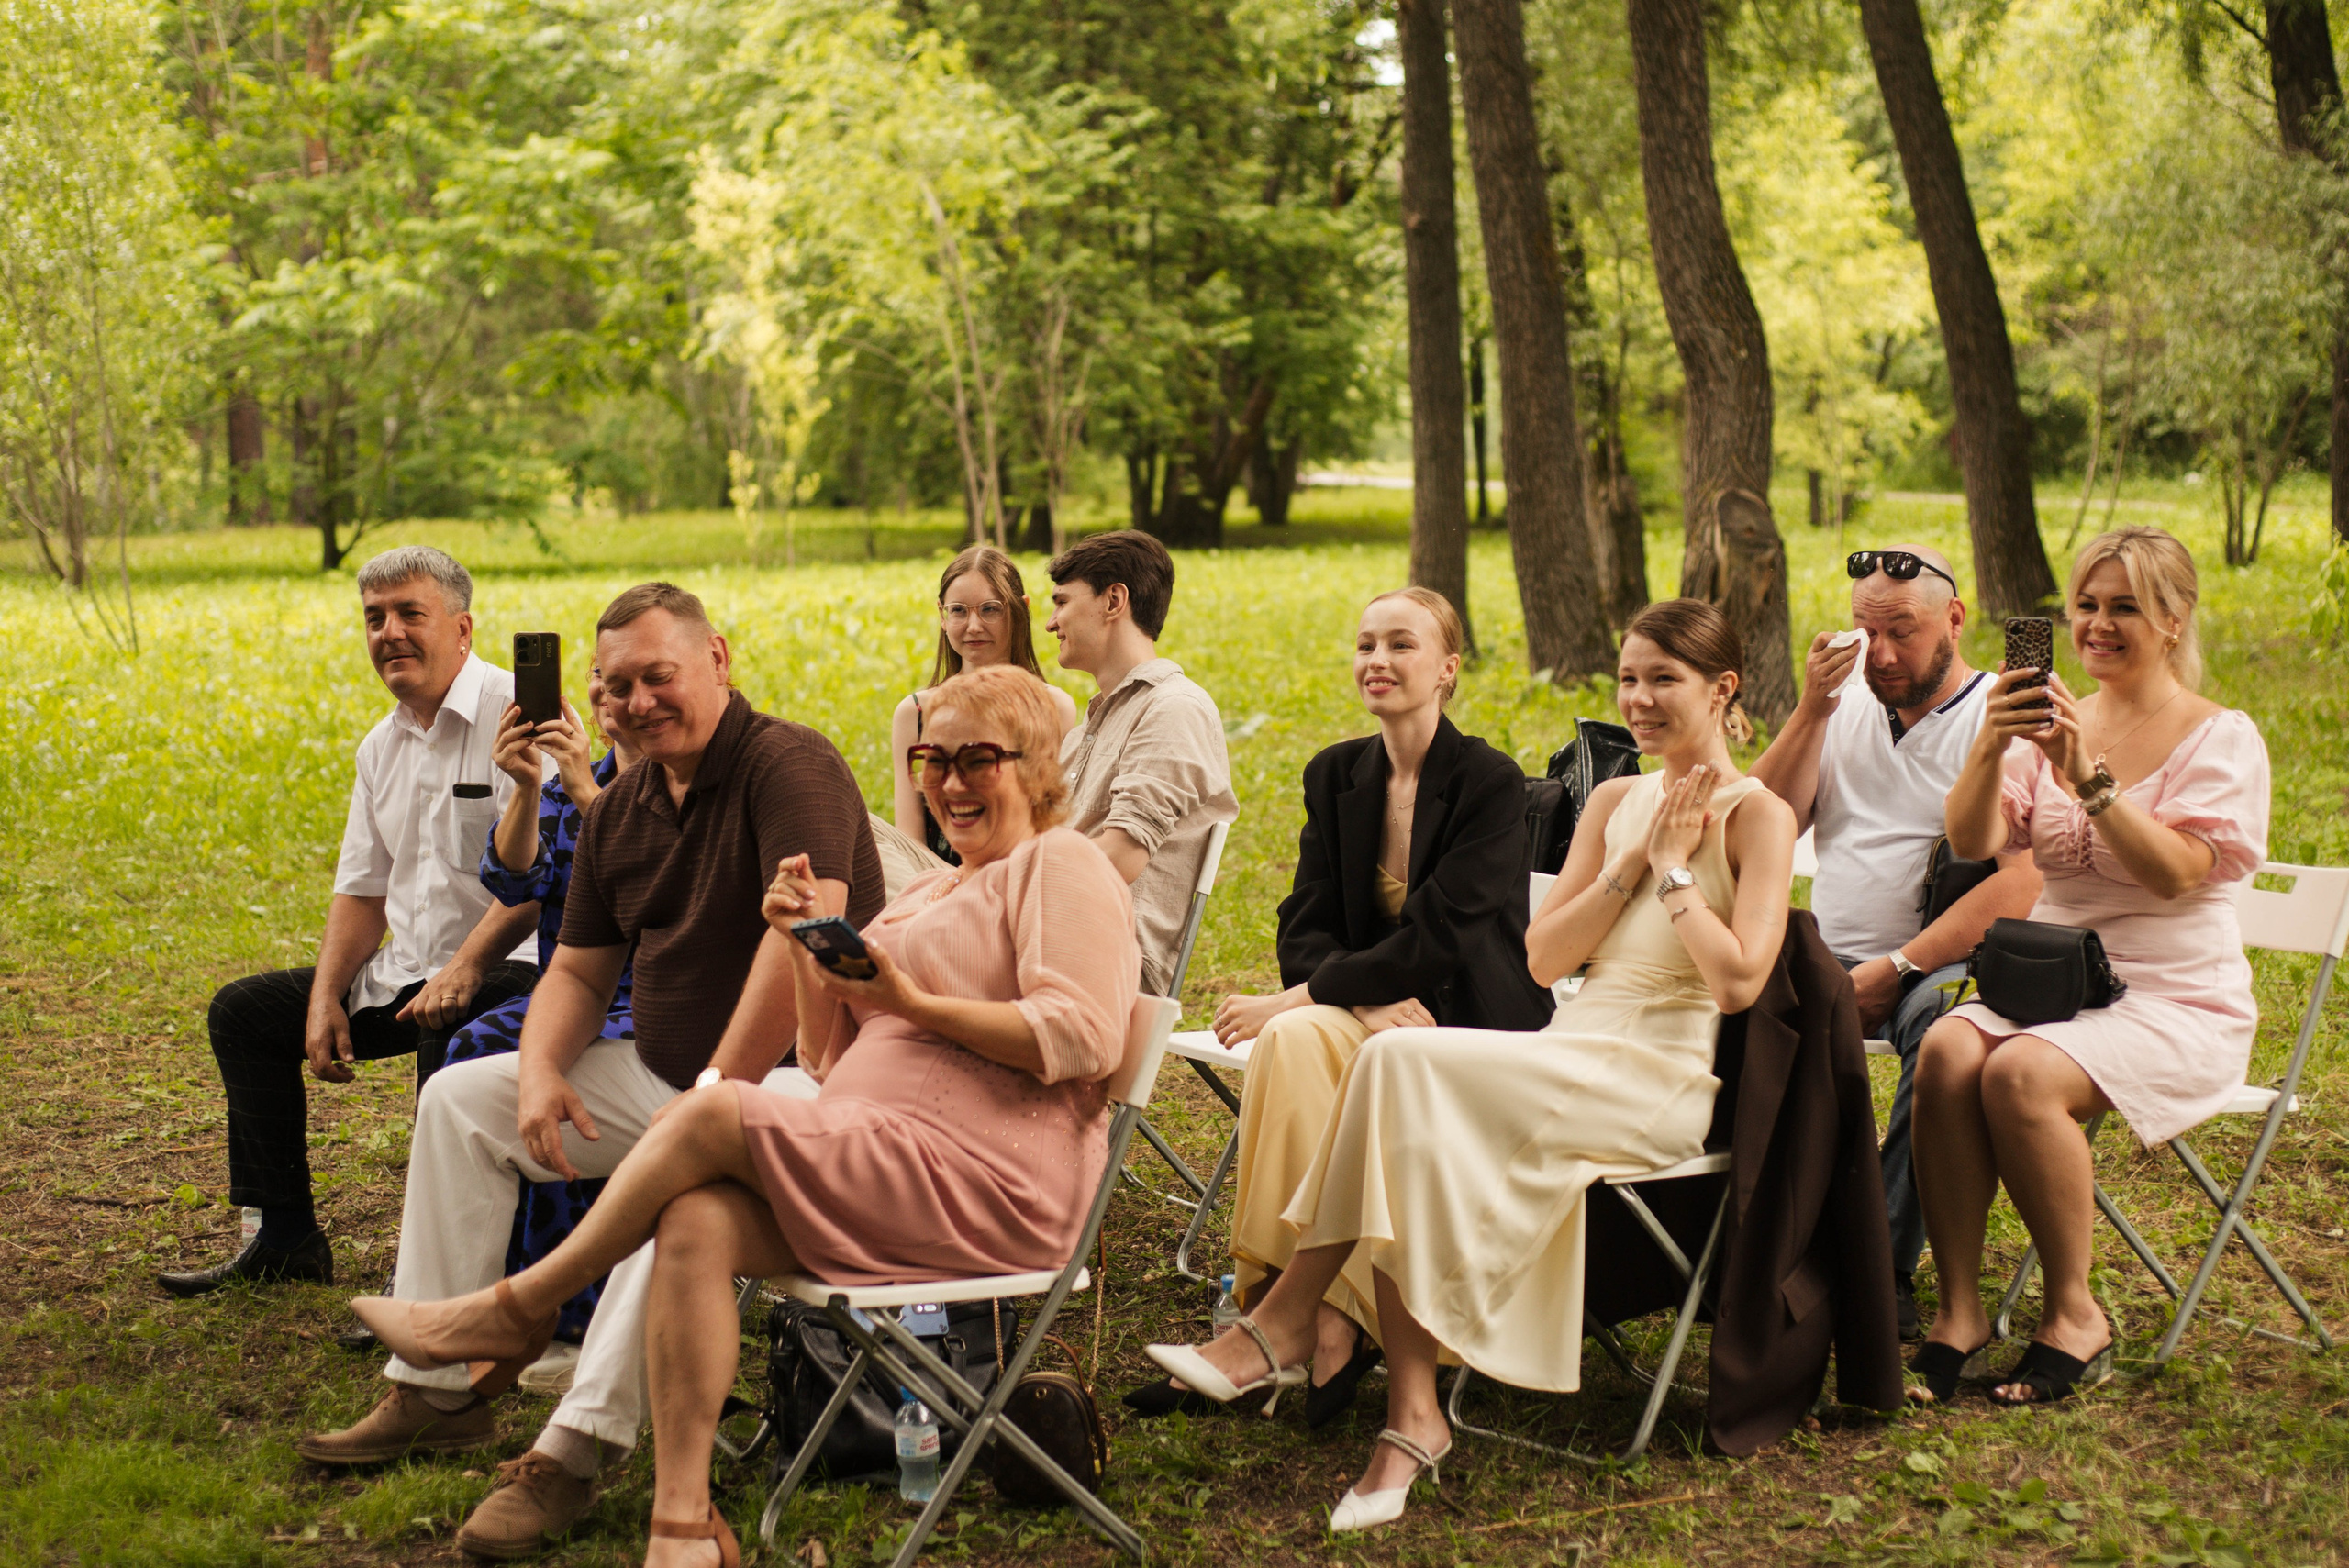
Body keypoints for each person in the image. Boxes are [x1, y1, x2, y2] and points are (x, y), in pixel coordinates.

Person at [343, 664, 1141, 1568]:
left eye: (977, 759)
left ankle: (519, 1307)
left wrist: (912, 1001)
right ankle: (681, 1521)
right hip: (882, 1159)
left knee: (712, 1107)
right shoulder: (930, 891)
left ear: (1036, 767)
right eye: (934, 758)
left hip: (988, 1179)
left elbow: (1081, 1036)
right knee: (694, 1219)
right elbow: (825, 1057)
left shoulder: (1059, 863)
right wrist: (801, 946)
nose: (950, 781)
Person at [1144, 599, 1796, 1532]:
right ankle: (1409, 1414)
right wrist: (1632, 863)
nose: (1639, 699)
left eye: (1665, 679)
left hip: (1657, 1075)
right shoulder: (1613, 802)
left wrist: (1676, 870)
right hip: (1570, 1045)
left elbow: (1736, 983)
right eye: (1628, 678)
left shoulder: (1760, 813)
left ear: (1723, 688)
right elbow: (1545, 956)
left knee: (1399, 1066)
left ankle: (1289, 1318)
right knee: (1397, 1081)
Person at [294, 582, 884, 1563]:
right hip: (673, 1078)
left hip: (812, 1088)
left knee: (683, 1177)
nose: (638, 702)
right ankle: (438, 1392)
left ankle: (575, 1446)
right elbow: (575, 968)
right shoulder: (624, 807)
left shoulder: (788, 763)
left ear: (718, 660)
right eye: (617, 686)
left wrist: (708, 1098)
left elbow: (802, 944)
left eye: (660, 676)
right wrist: (537, 1071)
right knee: (461, 1098)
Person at [1127, 587, 1553, 1425]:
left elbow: (1442, 938)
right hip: (1379, 1015)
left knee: (1297, 1021)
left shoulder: (1490, 782)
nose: (1378, 660)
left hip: (1473, 1024)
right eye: (1366, 644)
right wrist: (1354, 1005)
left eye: (1401, 644)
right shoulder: (1335, 773)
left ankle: (1298, 1321)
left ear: (1448, 668)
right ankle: (1309, 1317)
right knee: (1291, 1041)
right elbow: (1304, 924)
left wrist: (1312, 995)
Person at [1910, 526, 2267, 1408]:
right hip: (2056, 984)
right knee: (1947, 1050)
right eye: (2087, 605)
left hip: (2176, 996)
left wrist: (2085, 774)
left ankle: (2075, 1314)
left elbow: (2176, 872)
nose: (2098, 625)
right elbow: (1972, 839)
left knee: (2021, 1072)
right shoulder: (2048, 721)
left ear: (2174, 619)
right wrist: (1991, 743)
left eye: (2125, 608)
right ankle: (1960, 1312)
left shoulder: (2219, 737)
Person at [161, 547, 542, 1298]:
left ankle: (435, 1278)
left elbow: (544, 878)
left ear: (462, 629)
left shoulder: (521, 717)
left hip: (519, 966)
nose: (389, 632)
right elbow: (363, 892)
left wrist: (464, 968)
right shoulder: (381, 746)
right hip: (413, 970)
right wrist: (325, 995)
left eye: (410, 614)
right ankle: (284, 1237)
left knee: (449, 1018)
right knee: (245, 1012)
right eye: (375, 618)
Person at [1747, 544, 2043, 1336]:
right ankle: (1750, 1248)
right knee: (1729, 1006)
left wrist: (1899, 964)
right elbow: (1761, 825)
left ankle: (1875, 1266)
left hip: (1941, 962)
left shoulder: (2001, 714)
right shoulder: (1842, 706)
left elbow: (2023, 881)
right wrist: (1810, 710)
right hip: (1824, 954)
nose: (1879, 654)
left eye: (1901, 632)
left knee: (1947, 1037)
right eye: (1864, 631)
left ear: (1955, 619)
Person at [439, 664, 641, 1374]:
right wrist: (527, 787)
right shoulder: (564, 786)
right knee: (470, 1046)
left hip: (644, 1000)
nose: (612, 695)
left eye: (632, 681)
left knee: (570, 1080)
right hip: (565, 992)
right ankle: (485, 1279)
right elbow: (512, 879)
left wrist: (586, 788)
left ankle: (569, 1314)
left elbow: (657, 872)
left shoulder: (678, 789)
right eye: (602, 678)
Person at [1045, 529, 1239, 994]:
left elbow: (1120, 857)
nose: (1051, 624)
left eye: (1062, 602)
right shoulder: (1084, 731)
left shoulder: (1173, 708)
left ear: (1114, 601)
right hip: (1042, 930)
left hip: (1107, 954)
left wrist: (994, 891)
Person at [890, 545, 1077, 862]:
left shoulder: (1053, 707)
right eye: (958, 611)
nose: (974, 626)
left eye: (990, 609)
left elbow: (1054, 820)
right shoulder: (915, 713)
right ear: (942, 615)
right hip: (933, 879)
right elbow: (910, 842)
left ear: (1020, 609)